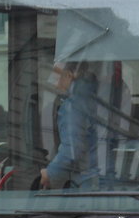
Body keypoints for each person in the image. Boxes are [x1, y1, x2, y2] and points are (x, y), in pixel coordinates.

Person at [40, 62, 100, 190]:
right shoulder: (95, 98)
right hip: (100, 178)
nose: (56, 84)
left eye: (57, 77)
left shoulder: (72, 105)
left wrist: (50, 173)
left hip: (84, 181)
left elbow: (72, 149)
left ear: (68, 75)